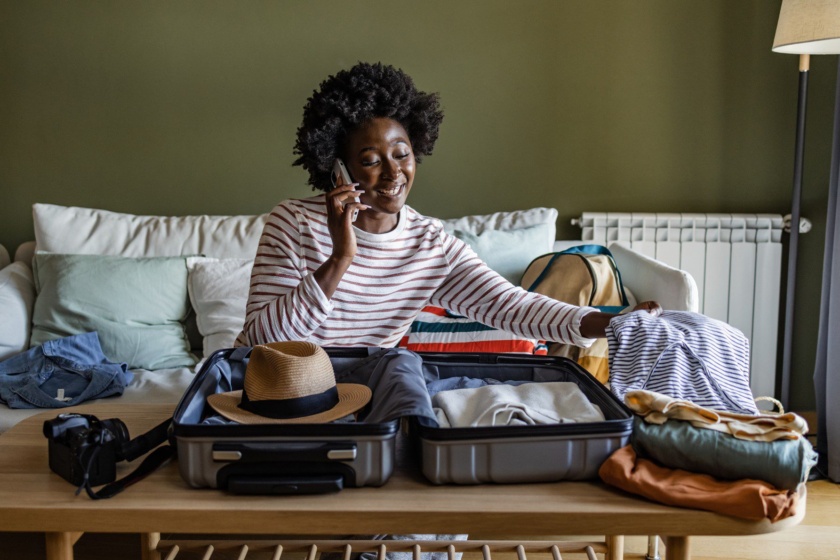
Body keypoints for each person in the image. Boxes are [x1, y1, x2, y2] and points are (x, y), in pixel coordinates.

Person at [235, 61, 660, 352]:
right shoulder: (292, 223)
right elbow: (260, 342)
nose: (392, 173)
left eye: (401, 153)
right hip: (277, 387)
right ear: (338, 169)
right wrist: (340, 258)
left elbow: (510, 306)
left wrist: (610, 323)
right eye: (369, 161)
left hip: (359, 391)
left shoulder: (429, 244)